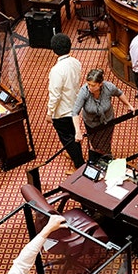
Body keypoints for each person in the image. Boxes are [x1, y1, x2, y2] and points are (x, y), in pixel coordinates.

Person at [73, 68, 136, 161]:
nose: (90, 87)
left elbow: (119, 93)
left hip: (108, 121)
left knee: (106, 141)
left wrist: (128, 105)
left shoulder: (108, 87)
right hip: (92, 124)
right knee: (96, 144)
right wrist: (78, 131)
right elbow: (75, 112)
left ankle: (107, 156)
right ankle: (102, 157)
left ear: (100, 84)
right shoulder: (84, 91)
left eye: (93, 85)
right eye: (88, 84)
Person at [47, 33, 84, 173]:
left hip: (62, 111)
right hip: (74, 104)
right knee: (74, 133)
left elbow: (55, 96)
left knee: (67, 137)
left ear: (54, 50)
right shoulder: (76, 62)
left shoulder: (56, 70)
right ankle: (74, 154)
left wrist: (49, 113)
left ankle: (79, 165)